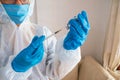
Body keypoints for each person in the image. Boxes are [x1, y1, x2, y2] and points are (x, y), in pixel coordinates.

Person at [0, 0, 90, 80]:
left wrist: (69, 50)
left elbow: (55, 73)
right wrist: (14, 68)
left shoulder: (43, 32)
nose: (18, 3)